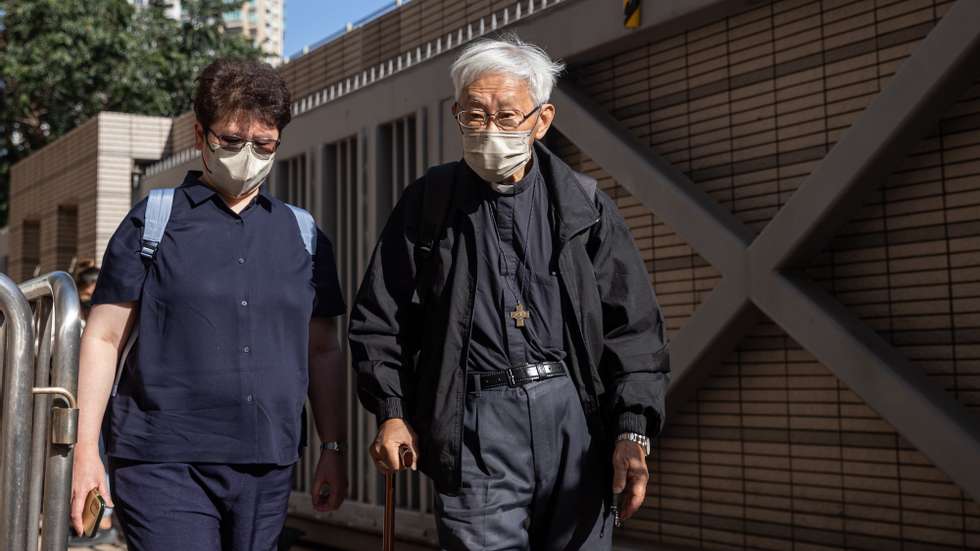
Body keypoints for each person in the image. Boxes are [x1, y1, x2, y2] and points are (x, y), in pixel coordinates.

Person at [349, 35, 670, 550]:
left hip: (574, 418)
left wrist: (632, 431)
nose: (489, 131)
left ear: (542, 121)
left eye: (507, 117)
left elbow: (634, 329)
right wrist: (390, 410)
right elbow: (378, 319)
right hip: (476, 419)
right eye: (474, 116)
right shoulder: (428, 202)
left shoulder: (584, 207)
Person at [70, 58, 349, 551]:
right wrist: (86, 449)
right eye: (231, 141)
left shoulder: (302, 235)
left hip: (268, 461)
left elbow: (322, 349)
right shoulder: (151, 223)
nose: (247, 155)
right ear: (200, 134)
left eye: (263, 144)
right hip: (162, 458)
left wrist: (332, 446)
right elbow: (104, 336)